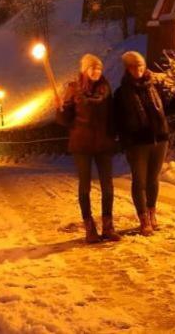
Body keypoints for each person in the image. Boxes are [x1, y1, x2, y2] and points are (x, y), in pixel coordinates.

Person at [56, 53, 120, 244]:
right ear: (85, 70)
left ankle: (108, 226)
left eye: (99, 68)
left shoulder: (106, 88)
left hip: (104, 144)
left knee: (107, 187)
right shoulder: (73, 90)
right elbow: (65, 120)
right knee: (84, 187)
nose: (96, 71)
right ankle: (89, 228)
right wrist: (60, 109)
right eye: (93, 68)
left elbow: (113, 114)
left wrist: (114, 133)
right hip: (82, 145)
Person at [113, 51, 171, 236]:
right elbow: (118, 121)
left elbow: (165, 110)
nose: (138, 69)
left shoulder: (154, 87)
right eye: (133, 66)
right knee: (140, 181)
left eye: (140, 65)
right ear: (127, 69)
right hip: (137, 144)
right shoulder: (122, 93)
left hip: (159, 140)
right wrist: (126, 141)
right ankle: (143, 218)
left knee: (153, 180)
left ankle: (152, 214)